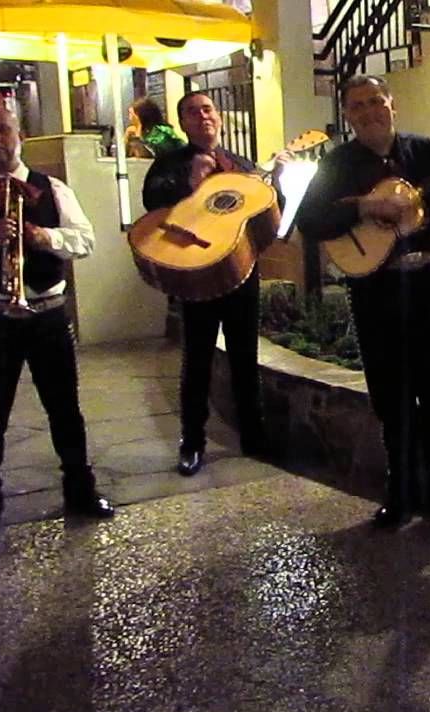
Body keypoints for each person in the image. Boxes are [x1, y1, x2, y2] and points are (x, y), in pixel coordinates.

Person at [294, 75, 430, 529]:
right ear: (348, 114)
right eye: (358, 105)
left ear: (392, 103)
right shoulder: (337, 163)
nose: (370, 110)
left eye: (376, 100)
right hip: (376, 287)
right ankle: (400, 494)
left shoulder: (429, 152)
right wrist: (361, 209)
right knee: (389, 393)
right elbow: (312, 220)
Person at [0, 106, 115, 545]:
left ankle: (79, 488)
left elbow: (84, 239)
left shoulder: (51, 188)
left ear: (21, 134)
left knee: (65, 408)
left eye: (3, 129)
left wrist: (44, 237)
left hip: (48, 313)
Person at [142, 91, 284, 476]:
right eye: (192, 112)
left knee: (245, 357)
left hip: (242, 271)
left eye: (207, 109)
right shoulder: (168, 164)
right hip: (198, 273)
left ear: (218, 117)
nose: (202, 116)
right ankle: (192, 443)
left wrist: (277, 185)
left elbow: (267, 219)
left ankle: (254, 437)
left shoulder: (241, 166)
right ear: (183, 123)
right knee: (198, 359)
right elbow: (152, 203)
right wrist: (189, 184)